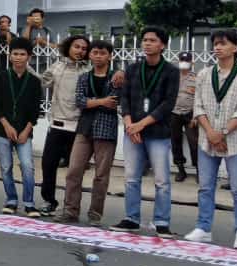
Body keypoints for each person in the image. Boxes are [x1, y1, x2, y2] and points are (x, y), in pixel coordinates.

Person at [183, 29, 237, 249]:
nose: (217, 47)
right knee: (205, 186)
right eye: (215, 43)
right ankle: (203, 227)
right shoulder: (204, 74)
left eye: (222, 44)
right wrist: (212, 133)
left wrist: (222, 133)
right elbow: (198, 106)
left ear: (235, 47)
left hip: (235, 141)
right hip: (207, 139)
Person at [114, 27, 179, 235]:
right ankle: (131, 218)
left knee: (162, 180)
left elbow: (167, 104)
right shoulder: (133, 69)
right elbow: (124, 98)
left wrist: (141, 125)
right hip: (132, 130)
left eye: (152, 40)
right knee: (131, 177)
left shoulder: (171, 71)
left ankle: (161, 221)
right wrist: (128, 123)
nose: (147, 43)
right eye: (144, 40)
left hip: (158, 133)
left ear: (163, 45)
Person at [61, 39, 122, 225]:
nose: (97, 56)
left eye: (102, 53)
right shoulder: (84, 77)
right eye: (94, 52)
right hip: (84, 129)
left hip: (106, 130)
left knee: (101, 175)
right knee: (74, 171)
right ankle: (70, 210)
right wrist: (102, 102)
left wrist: (93, 102)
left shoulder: (117, 78)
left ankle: (95, 214)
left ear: (110, 56)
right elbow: (80, 101)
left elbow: (116, 101)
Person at [36, 35, 90, 215]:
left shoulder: (88, 69)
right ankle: (49, 201)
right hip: (58, 125)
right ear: (69, 47)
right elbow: (43, 82)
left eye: (83, 48)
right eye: (77, 46)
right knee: (48, 164)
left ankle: (71, 206)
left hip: (78, 128)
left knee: (74, 171)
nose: (80, 51)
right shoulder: (57, 67)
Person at [0, 36, 40, 214]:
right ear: (10, 56)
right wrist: (6, 125)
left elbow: (36, 110)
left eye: (22, 54)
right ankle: (11, 200)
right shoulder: (1, 77)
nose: (18, 57)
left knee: (27, 165)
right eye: (15, 53)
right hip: (2, 129)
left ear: (29, 57)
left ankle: (29, 203)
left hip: (24, 131)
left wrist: (27, 130)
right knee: (6, 166)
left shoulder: (34, 81)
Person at [170, 51, 199, 182]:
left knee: (194, 143)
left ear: (192, 62)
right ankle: (181, 169)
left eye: (187, 60)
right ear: (178, 61)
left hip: (190, 114)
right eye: (182, 60)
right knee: (175, 142)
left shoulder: (196, 78)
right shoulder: (172, 77)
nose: (184, 62)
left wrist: (196, 116)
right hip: (174, 113)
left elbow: (200, 99)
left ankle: (199, 170)